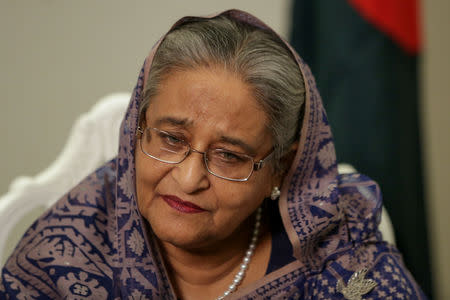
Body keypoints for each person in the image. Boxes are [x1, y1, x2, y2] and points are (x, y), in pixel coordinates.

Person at [0, 9, 427, 299]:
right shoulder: (62, 253)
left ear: (281, 166)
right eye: (169, 138)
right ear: (136, 130)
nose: (188, 179)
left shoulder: (341, 251)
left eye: (229, 156)